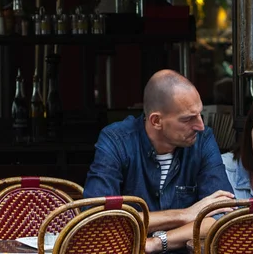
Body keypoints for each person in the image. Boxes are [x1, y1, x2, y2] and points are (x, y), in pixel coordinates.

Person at [84, 70, 234, 254]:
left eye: (200, 114)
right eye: (188, 119)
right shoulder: (117, 141)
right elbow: (96, 219)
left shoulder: (203, 139)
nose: (200, 125)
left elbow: (224, 216)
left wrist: (157, 242)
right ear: (156, 121)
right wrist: (184, 215)